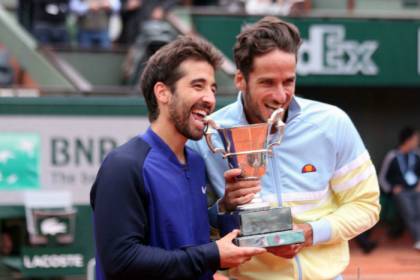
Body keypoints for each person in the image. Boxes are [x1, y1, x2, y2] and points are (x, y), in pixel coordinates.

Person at [188, 16, 380, 279]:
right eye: (267, 83)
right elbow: (197, 230)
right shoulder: (209, 136)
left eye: (288, 81)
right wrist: (225, 206)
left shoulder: (332, 122)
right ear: (240, 80)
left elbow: (366, 206)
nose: (280, 96)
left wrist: (310, 233)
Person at [90, 35, 265, 280]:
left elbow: (191, 249)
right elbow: (120, 260)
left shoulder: (195, 163)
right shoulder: (123, 165)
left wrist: (226, 207)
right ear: (163, 93)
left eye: (212, 88)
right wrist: (212, 254)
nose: (210, 98)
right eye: (198, 85)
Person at [379, 127, 420, 250]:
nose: (417, 141)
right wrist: (391, 189)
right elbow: (381, 177)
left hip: (416, 190)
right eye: (415, 139)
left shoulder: (417, 154)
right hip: (401, 192)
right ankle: (419, 239)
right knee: (410, 213)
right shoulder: (392, 156)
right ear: (407, 140)